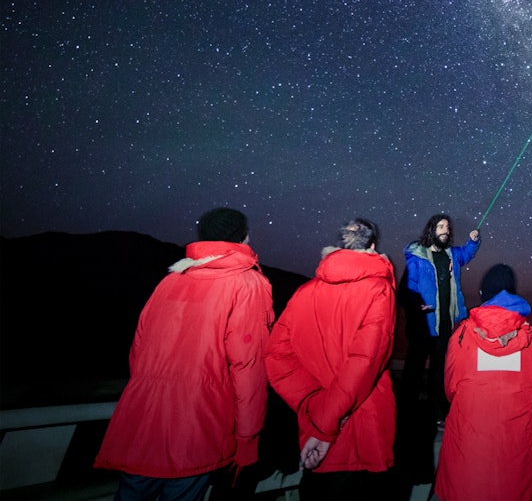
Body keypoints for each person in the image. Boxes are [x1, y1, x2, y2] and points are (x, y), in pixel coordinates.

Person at [94, 207, 274, 500]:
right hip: (197, 423)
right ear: (244, 237)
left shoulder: (171, 280)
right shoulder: (248, 284)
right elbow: (248, 365)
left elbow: (138, 350)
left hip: (143, 418)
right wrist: (248, 435)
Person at [264, 218, 397, 500]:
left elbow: (276, 355)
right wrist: (327, 423)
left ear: (336, 247)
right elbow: (364, 361)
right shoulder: (379, 290)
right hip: (362, 429)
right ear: (373, 247)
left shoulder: (304, 292)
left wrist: (311, 402)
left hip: (313, 428)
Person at [434, 264, 532, 501]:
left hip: (470, 436)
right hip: (515, 435)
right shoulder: (529, 336)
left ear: (483, 293)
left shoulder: (463, 334)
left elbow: (450, 387)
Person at [402, 213, 481, 426]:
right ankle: (406, 411)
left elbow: (466, 253)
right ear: (432, 230)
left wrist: (473, 241)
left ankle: (438, 412)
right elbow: (410, 285)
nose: (445, 230)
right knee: (416, 367)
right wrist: (415, 305)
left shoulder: (452, 255)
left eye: (447, 227)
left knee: (441, 367)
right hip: (424, 321)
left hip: (445, 320)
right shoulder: (418, 256)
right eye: (440, 227)